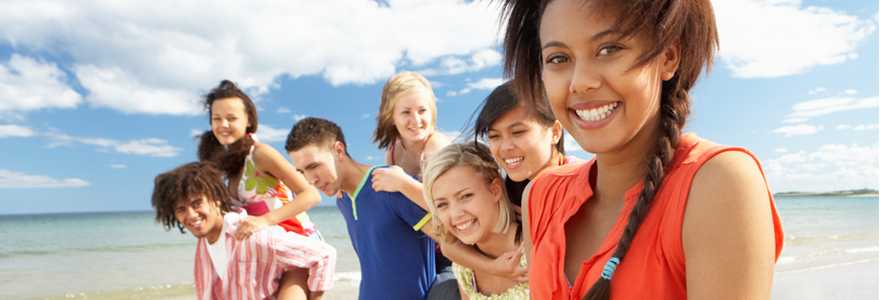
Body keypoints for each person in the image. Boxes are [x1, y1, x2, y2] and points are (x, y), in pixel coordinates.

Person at [500, 0, 784, 299]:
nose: (580, 82)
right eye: (558, 58)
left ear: (668, 57)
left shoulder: (718, 183)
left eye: (609, 49)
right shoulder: (541, 197)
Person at [286, 117, 440, 300]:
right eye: (302, 172)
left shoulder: (389, 184)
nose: (311, 180)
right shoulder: (342, 200)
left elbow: (448, 240)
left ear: (339, 150)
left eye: (314, 166)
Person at [151, 162, 336, 300]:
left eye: (197, 203)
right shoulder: (204, 246)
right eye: (181, 209)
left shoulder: (249, 233)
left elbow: (324, 254)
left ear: (215, 199)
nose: (191, 215)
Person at [197, 80, 322, 240]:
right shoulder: (226, 163)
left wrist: (265, 220)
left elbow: (311, 195)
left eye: (231, 118)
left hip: (298, 245)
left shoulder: (260, 154)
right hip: (266, 254)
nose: (223, 124)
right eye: (217, 118)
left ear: (248, 120)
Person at [422, 142, 529, 299]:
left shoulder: (536, 249)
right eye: (442, 204)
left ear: (495, 190)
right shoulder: (464, 267)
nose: (455, 214)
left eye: (466, 196)